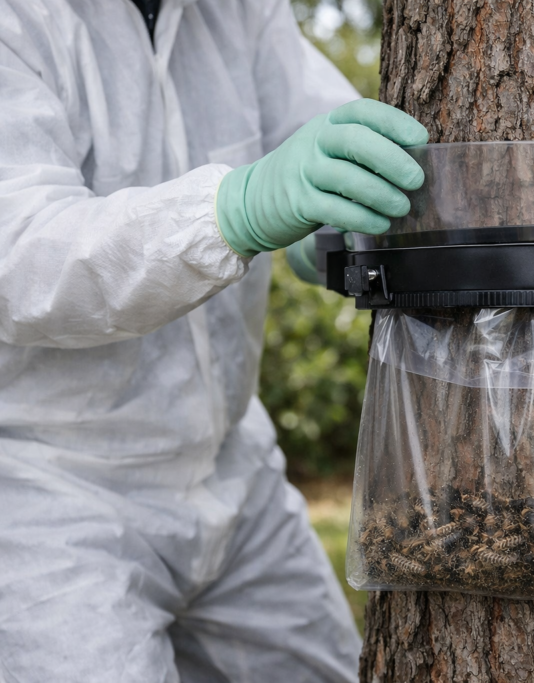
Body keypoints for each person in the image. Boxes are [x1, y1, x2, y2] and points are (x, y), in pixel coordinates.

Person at [0, 0, 428, 680]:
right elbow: (20, 258)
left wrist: (339, 227)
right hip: (50, 497)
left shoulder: (237, 10)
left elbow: (319, 127)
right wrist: (236, 208)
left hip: (234, 471)